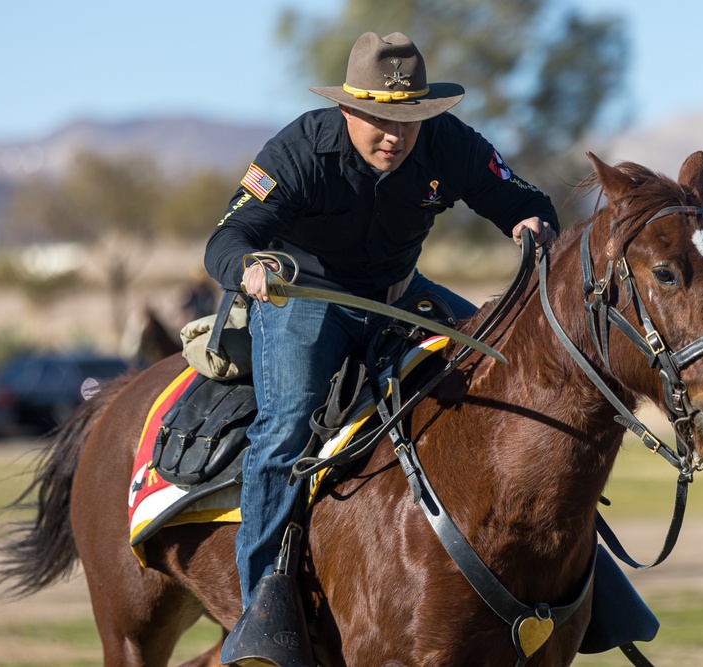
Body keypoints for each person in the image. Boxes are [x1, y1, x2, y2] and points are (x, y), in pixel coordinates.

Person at [204, 31, 558, 663]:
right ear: (347, 109)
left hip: (400, 293)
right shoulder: (298, 150)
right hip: (304, 298)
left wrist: (528, 221)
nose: (395, 133)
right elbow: (228, 238)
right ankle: (260, 616)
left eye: (410, 118)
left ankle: (583, 592)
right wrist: (252, 265)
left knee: (507, 364)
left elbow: (519, 197)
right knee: (286, 426)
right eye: (379, 118)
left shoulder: (450, 143)